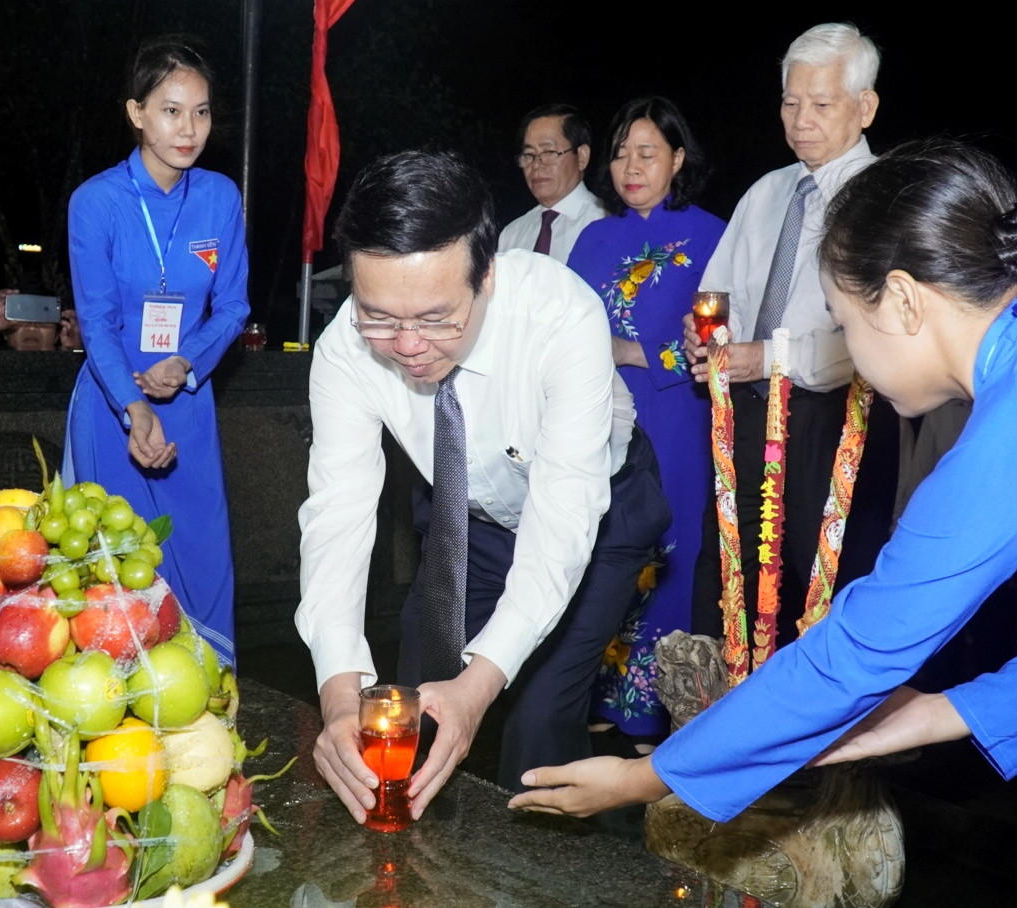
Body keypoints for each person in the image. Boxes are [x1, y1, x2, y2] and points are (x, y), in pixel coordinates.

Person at [509, 138, 1017, 822]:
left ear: (901, 300)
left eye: (843, 323)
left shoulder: (1001, 440)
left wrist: (645, 777)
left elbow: (852, 654)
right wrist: (944, 712)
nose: (850, 351)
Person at [297, 149, 670, 823]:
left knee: (537, 719)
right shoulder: (344, 349)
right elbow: (336, 519)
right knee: (405, 707)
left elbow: (562, 524)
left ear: (487, 275)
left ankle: (552, 868)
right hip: (470, 521)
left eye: (436, 317)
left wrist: (480, 685)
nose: (408, 344)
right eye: (379, 317)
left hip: (598, 514)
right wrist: (337, 697)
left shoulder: (561, 317)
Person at [684, 22, 894, 649]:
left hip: (834, 421)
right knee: (728, 573)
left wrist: (768, 357)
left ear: (865, 107)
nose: (801, 121)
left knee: (819, 583)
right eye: (790, 102)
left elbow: (873, 336)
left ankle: (827, 708)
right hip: (745, 415)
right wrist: (706, 334)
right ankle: (724, 698)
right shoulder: (767, 191)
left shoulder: (884, 200)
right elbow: (718, 290)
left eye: (821, 104)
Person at [64, 35, 249, 664]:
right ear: (136, 112)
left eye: (201, 111)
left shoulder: (220, 197)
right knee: (113, 571)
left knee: (200, 555)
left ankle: (208, 698)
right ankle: (109, 702)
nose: (189, 128)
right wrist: (134, 405)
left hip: (188, 401)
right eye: (171, 110)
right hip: (113, 402)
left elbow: (233, 305)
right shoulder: (96, 202)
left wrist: (188, 360)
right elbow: (96, 321)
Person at [567, 97, 726, 742]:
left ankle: (660, 707)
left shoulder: (711, 236)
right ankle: (594, 694)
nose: (630, 167)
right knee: (600, 548)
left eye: (647, 153)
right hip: (597, 416)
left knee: (670, 550)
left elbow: (723, 339)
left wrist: (635, 352)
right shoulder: (593, 237)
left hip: (676, 417)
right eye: (620, 154)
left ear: (677, 158)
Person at [497, 104, 605, 263]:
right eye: (529, 154)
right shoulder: (512, 234)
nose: (536, 165)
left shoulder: (606, 221)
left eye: (549, 152)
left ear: (582, 156)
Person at [0, 289, 82, 350]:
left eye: (42, 318)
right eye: (23, 317)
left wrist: (76, 351)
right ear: (5, 334)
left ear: (57, 335)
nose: (32, 326)